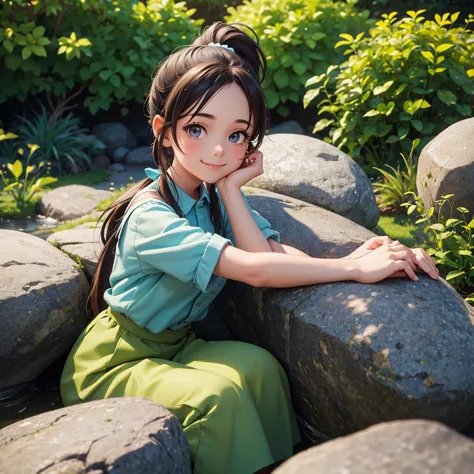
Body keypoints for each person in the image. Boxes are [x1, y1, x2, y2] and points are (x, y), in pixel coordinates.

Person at [60, 21, 439, 474]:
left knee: (260, 370)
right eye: (199, 128)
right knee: (220, 399)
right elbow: (253, 270)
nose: (219, 150)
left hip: (178, 345)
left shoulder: (213, 194)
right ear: (163, 130)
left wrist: (354, 257)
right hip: (117, 360)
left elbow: (270, 254)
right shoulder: (151, 217)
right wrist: (354, 273)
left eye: (237, 135)